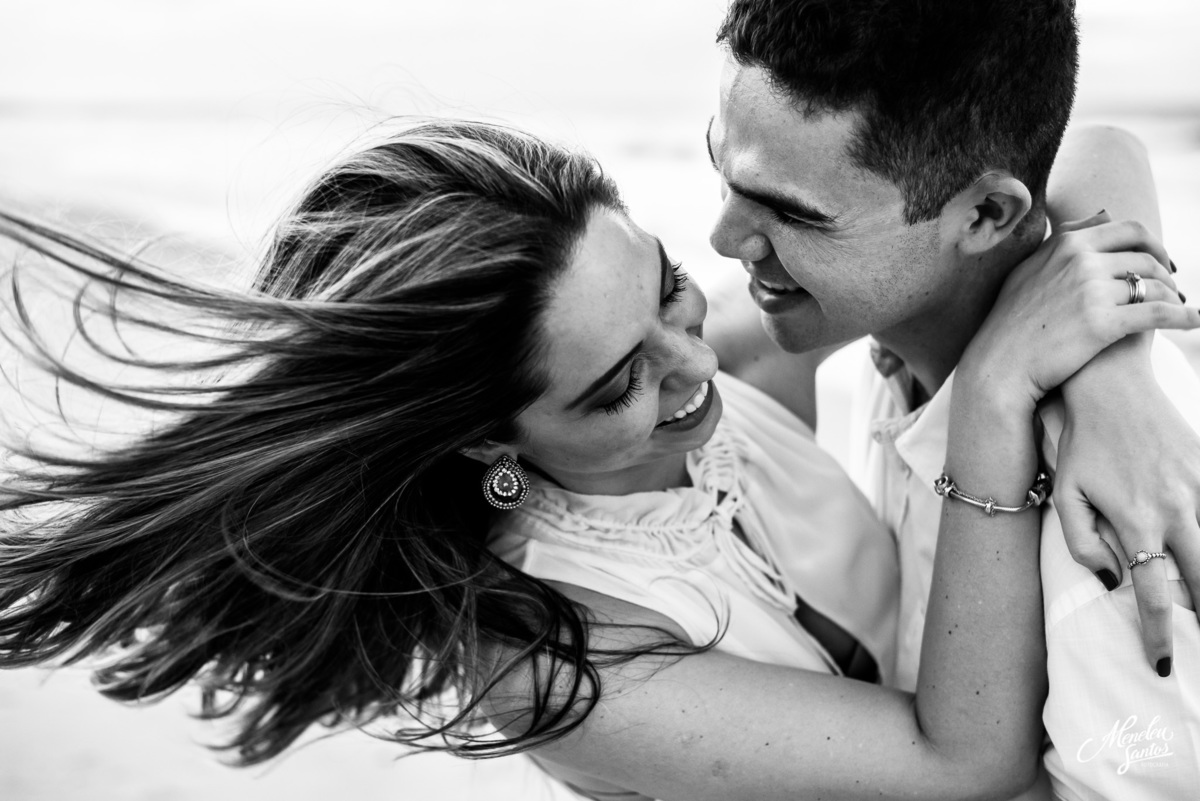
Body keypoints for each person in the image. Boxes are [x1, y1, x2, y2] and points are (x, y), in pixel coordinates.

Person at [0, 119, 1193, 801]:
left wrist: (1113, 375)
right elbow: (960, 762)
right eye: (616, 384)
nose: (690, 366)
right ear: (480, 435)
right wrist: (994, 393)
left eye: (670, 287)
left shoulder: (700, 358)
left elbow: (1081, 153)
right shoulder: (544, 648)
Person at [706, 1, 1200, 797]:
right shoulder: (865, 362)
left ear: (983, 214)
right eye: (719, 166)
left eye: (794, 212)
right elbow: (1099, 146)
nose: (724, 239)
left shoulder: (1117, 523)